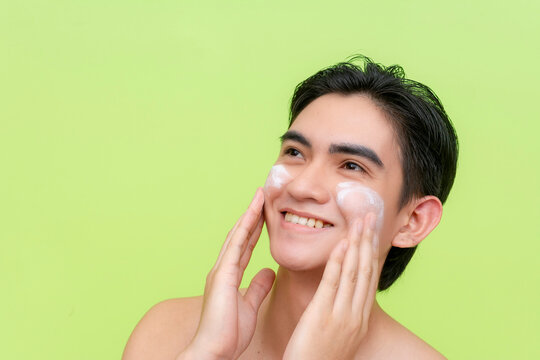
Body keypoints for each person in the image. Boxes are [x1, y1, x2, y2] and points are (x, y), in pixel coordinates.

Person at [122, 55, 458, 360]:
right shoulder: (166, 335)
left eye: (351, 166)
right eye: (295, 152)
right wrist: (207, 352)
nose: (300, 186)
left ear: (413, 221)